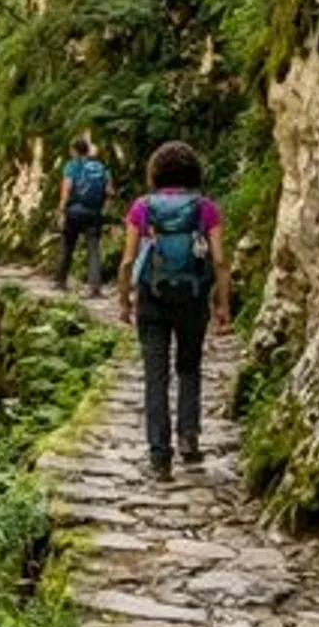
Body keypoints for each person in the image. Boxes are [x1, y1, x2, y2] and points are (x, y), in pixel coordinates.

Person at [116, 140, 231, 480]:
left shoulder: (142, 207)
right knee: (189, 367)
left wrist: (125, 301)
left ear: (156, 172)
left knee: (155, 375)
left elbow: (127, 261)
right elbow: (221, 261)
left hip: (152, 299)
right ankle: (189, 440)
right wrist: (223, 305)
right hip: (194, 299)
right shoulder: (206, 208)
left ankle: (159, 456)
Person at [56, 134, 112, 296]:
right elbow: (109, 191)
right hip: (93, 213)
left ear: (74, 151)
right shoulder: (100, 167)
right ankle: (94, 287)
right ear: (87, 150)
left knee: (67, 245)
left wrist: (61, 210)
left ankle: (61, 281)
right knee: (93, 249)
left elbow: (66, 190)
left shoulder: (71, 166)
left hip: (74, 212)